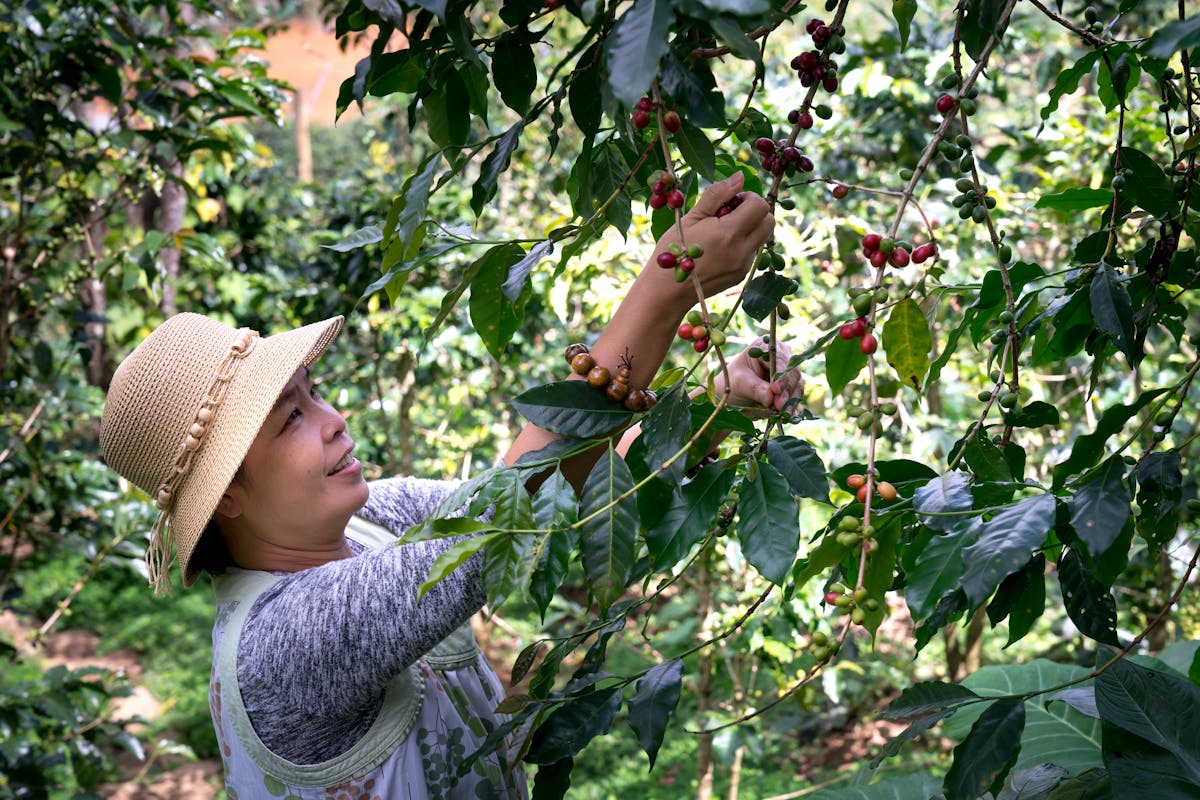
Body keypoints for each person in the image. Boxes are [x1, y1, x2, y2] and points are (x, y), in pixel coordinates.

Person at [98, 171, 798, 799]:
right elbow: (497, 522)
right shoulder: (282, 644)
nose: (335, 421)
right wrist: (664, 288)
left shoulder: (371, 521)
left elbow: (534, 484)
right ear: (227, 497)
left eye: (314, 396)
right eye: (290, 420)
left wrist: (708, 399)